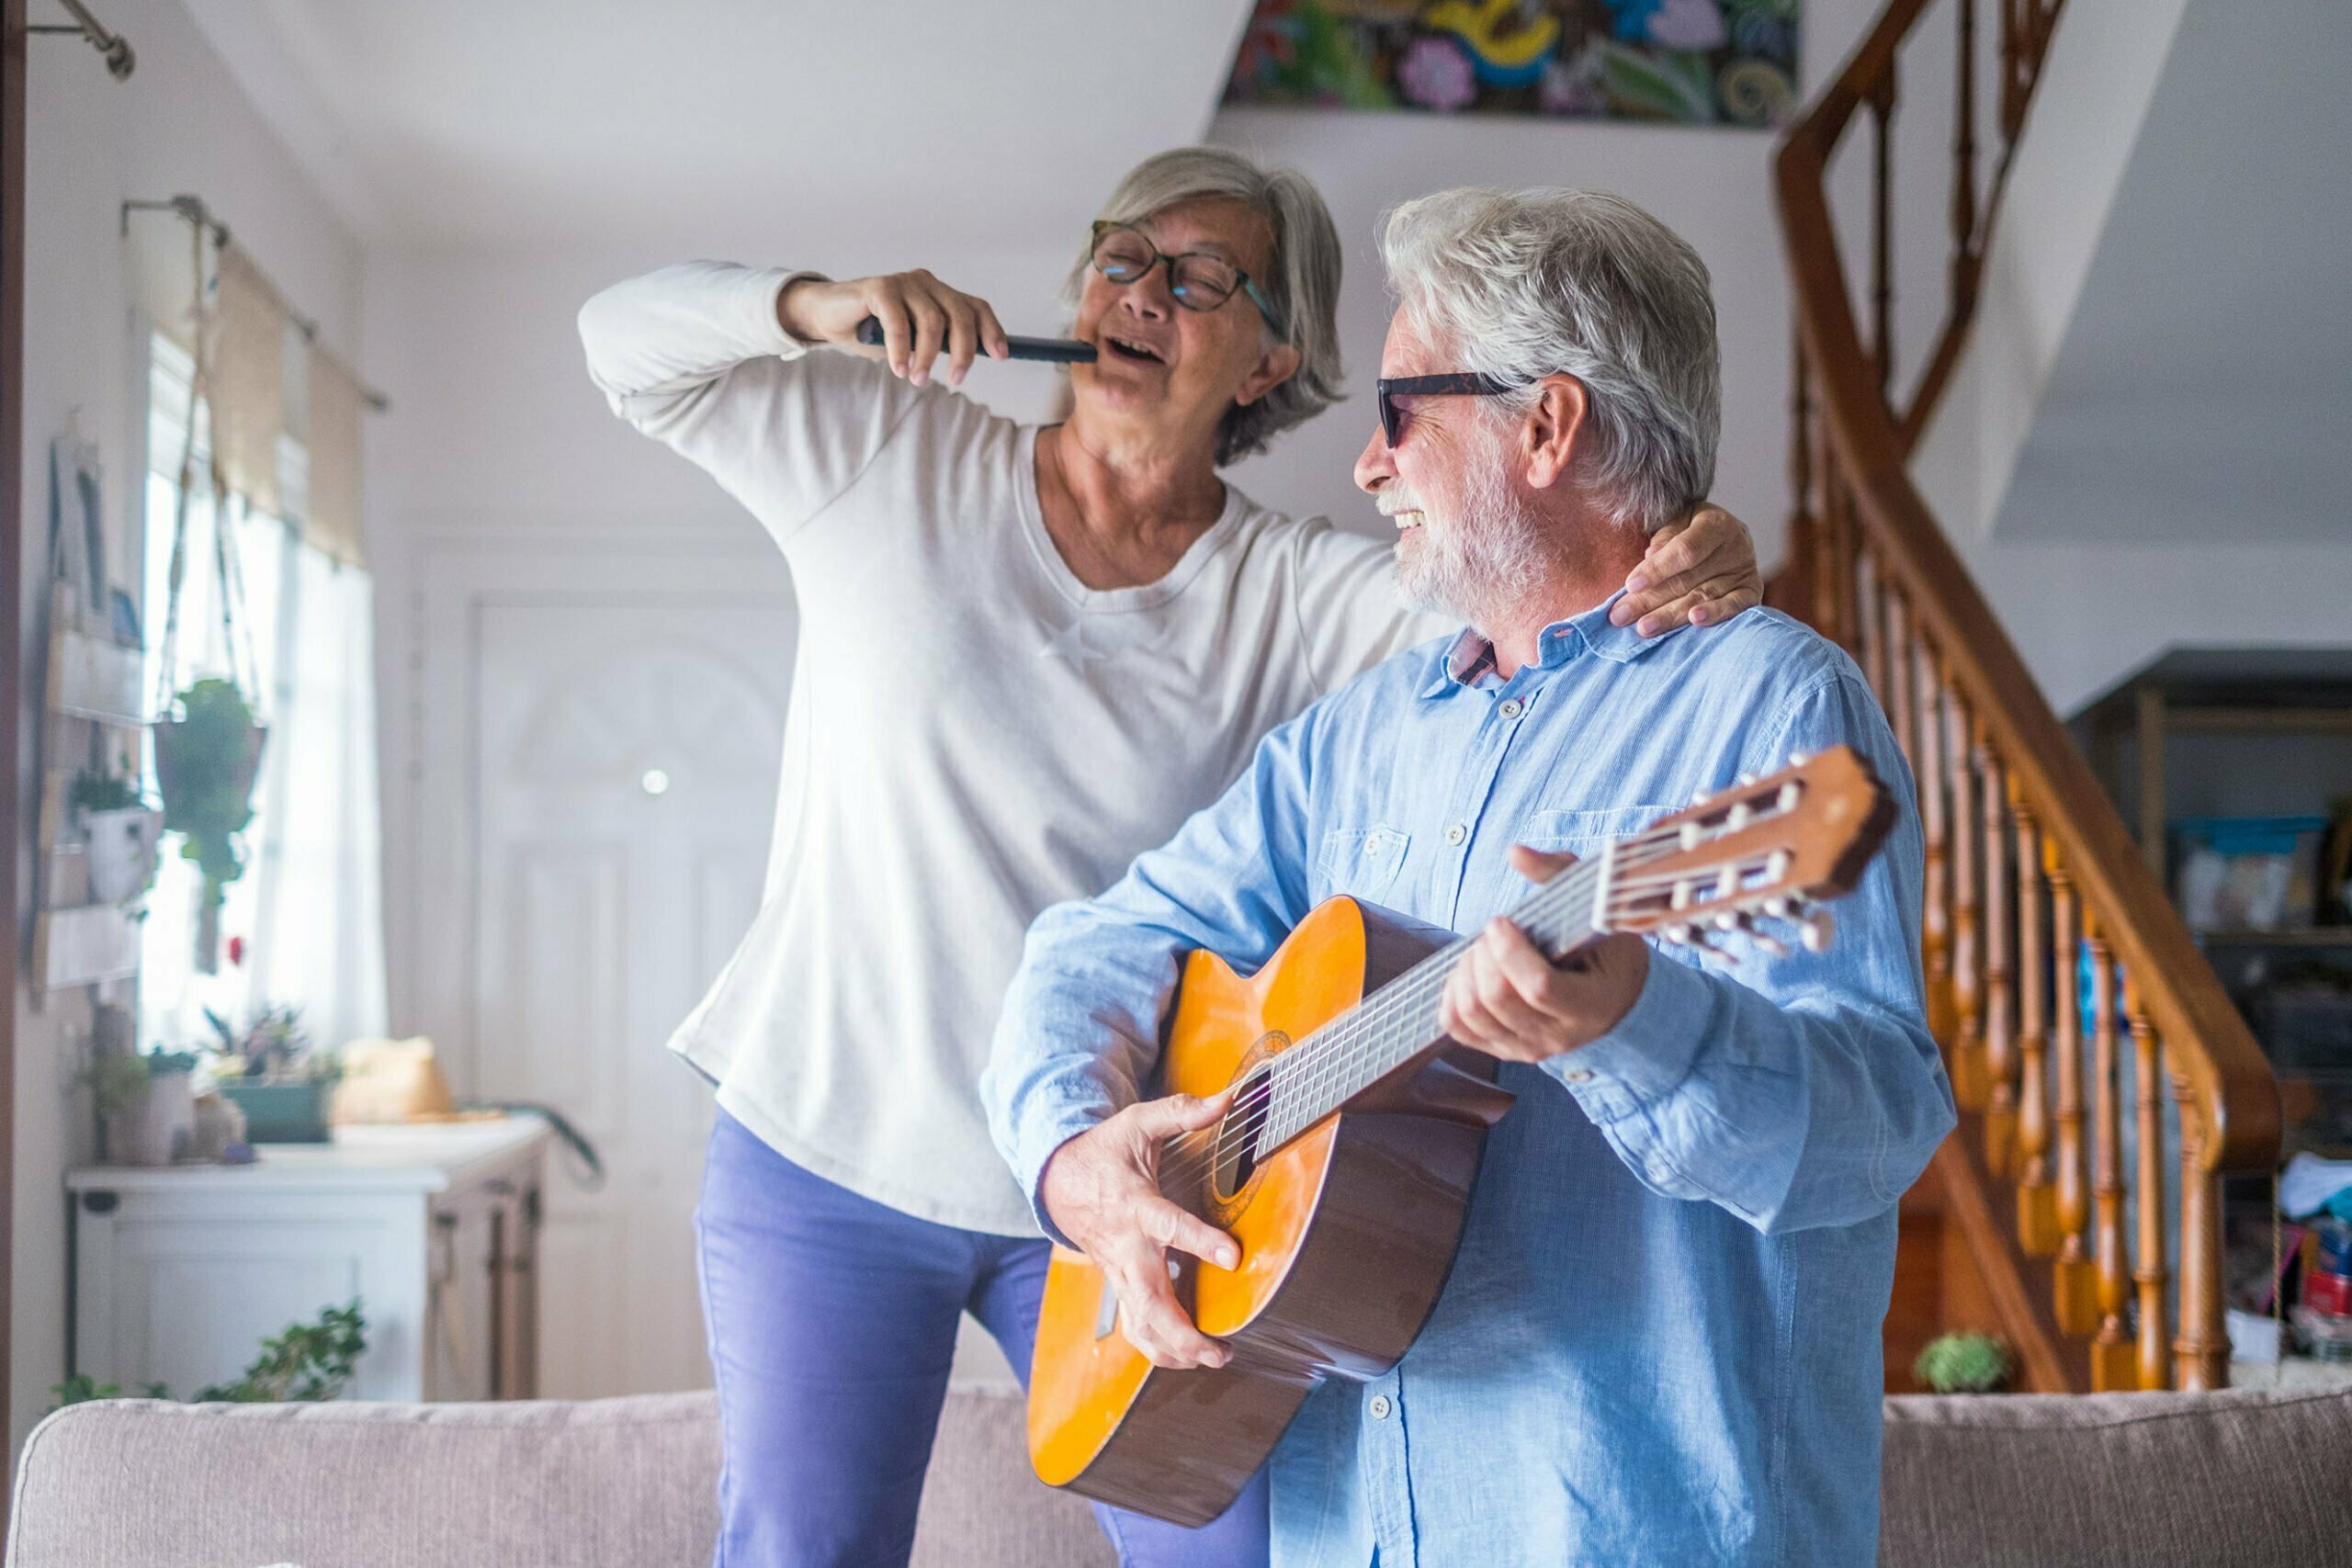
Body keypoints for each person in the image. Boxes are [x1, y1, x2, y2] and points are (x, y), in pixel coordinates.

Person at [578, 148, 1762, 1568]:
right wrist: (817, 303)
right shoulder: (885, 454)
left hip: (1130, 1162)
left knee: (1235, 1555)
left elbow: (1540, 578)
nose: (1140, 290)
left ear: (1272, 358)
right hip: (829, 1144)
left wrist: (1687, 533)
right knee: (801, 1551)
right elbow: (619, 344)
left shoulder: (1300, 591)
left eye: (1202, 279)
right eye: (1121, 255)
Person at [987, 186, 1955, 1567]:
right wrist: (1074, 1158)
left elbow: (1876, 1123)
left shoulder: (1771, 704)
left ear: (1546, 427)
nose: (1370, 468)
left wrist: (1640, 1027)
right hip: (1354, 1532)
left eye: (1398, 416)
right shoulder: (1356, 741)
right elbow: (1095, 945)